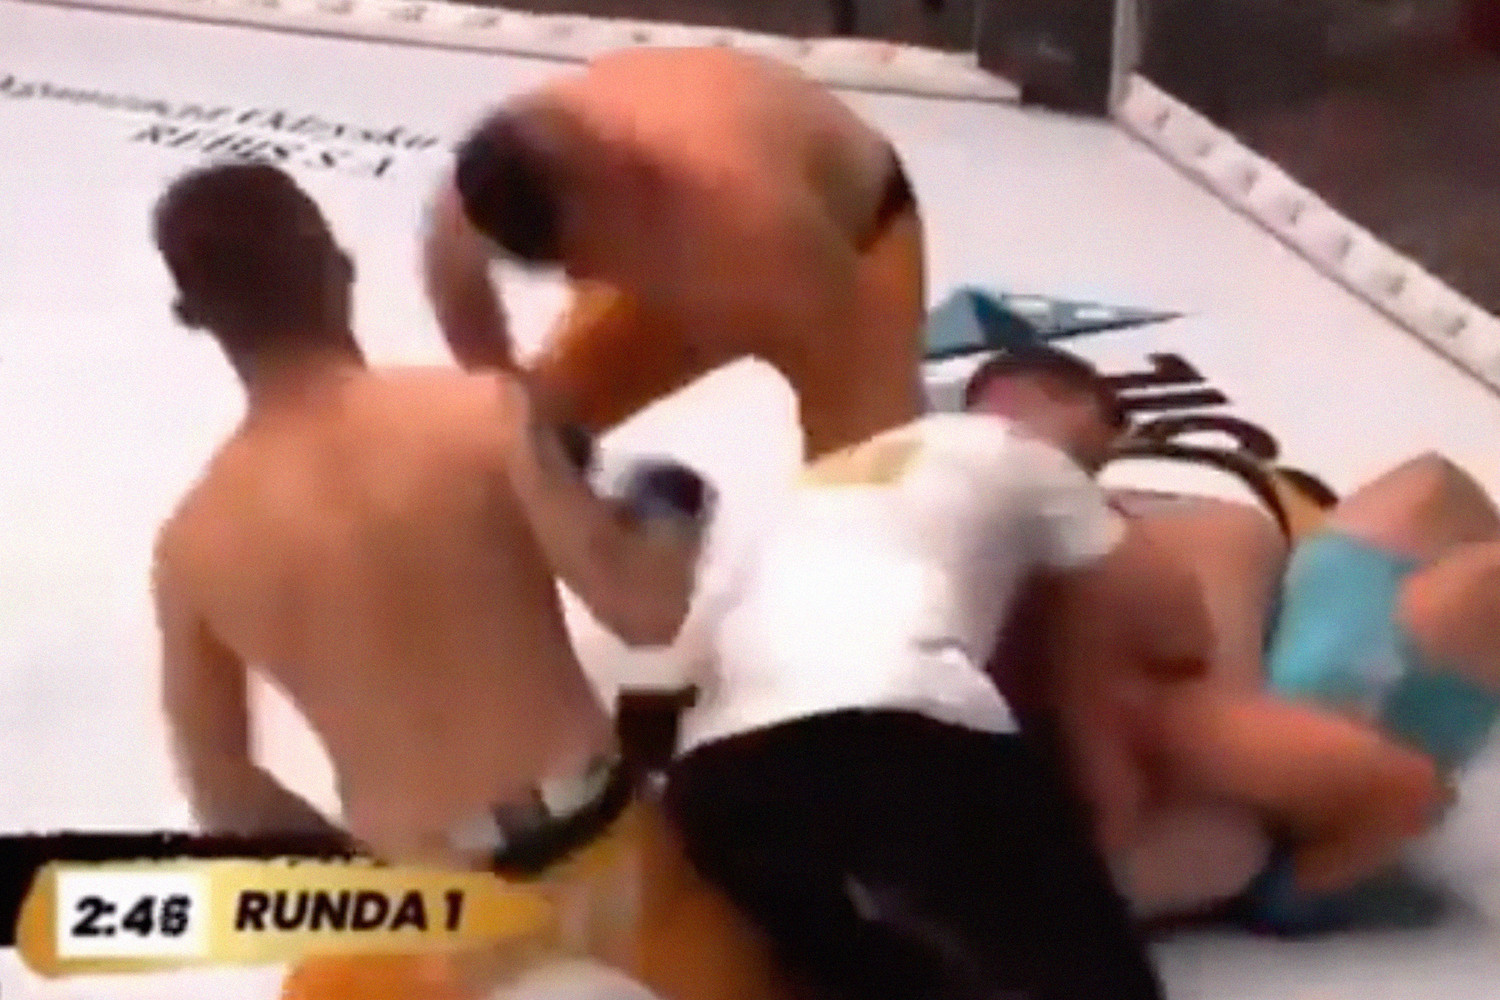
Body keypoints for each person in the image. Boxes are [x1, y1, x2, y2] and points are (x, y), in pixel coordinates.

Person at [148, 162, 796, 1000]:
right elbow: (644, 611)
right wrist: (670, 516)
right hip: (606, 867)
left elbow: (227, 797)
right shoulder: (481, 415)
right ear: (338, 266)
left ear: (193, 317)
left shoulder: (194, 546)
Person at [655, 406, 1218, 1000]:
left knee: (877, 977)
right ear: (1066, 411)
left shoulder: (797, 492)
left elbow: (680, 665)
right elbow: (1179, 623)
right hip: (898, 721)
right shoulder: (1016, 446)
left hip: (717, 780)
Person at [967, 345, 1498, 932]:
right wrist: (1307, 882)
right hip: (1287, 749)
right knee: (1477, 583)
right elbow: (1401, 789)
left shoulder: (1072, 569)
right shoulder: (1136, 692)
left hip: (1256, 646)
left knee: (1432, 489)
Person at [422, 44, 927, 462]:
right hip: (689, 275)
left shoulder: (755, 211)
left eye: (594, 253)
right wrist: (510, 398)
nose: (583, 273)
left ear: (628, 176)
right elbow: (462, 294)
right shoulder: (479, 192)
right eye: (576, 263)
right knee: (526, 441)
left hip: (857, 244)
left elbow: (844, 342)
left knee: (866, 479)